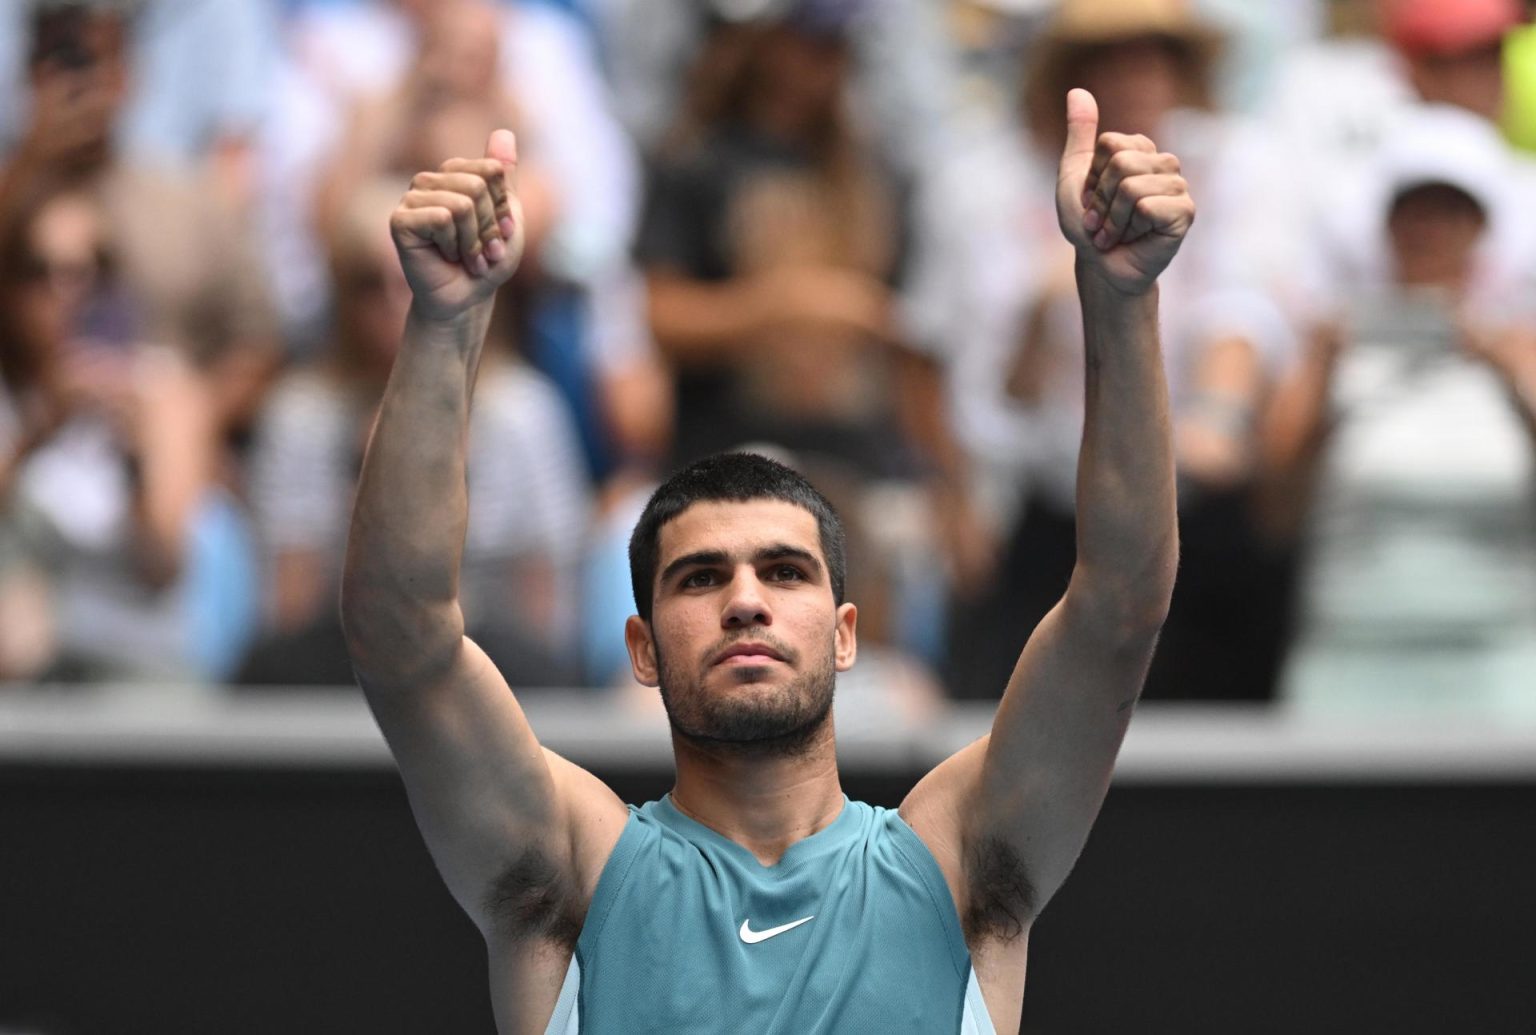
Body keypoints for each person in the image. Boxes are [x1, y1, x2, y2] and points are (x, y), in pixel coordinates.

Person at [341, 87, 1192, 1033]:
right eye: (700, 577)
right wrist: (445, 325)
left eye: (785, 571)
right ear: (643, 647)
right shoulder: (571, 875)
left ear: (844, 634)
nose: (745, 599)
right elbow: (402, 634)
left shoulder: (959, 860)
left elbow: (1120, 605)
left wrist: (1121, 301)